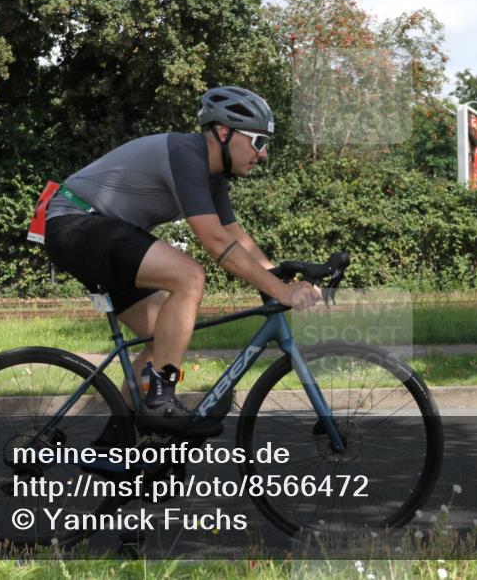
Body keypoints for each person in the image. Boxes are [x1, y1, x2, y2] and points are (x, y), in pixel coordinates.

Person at [43, 86, 321, 439]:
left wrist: (277, 275)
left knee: (166, 336)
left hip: (100, 234)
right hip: (75, 223)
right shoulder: (185, 154)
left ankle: (118, 441)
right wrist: (280, 290)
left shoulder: (212, 173)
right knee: (189, 276)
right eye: (259, 142)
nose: (262, 155)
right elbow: (214, 240)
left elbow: (233, 233)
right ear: (224, 132)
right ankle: (161, 400)